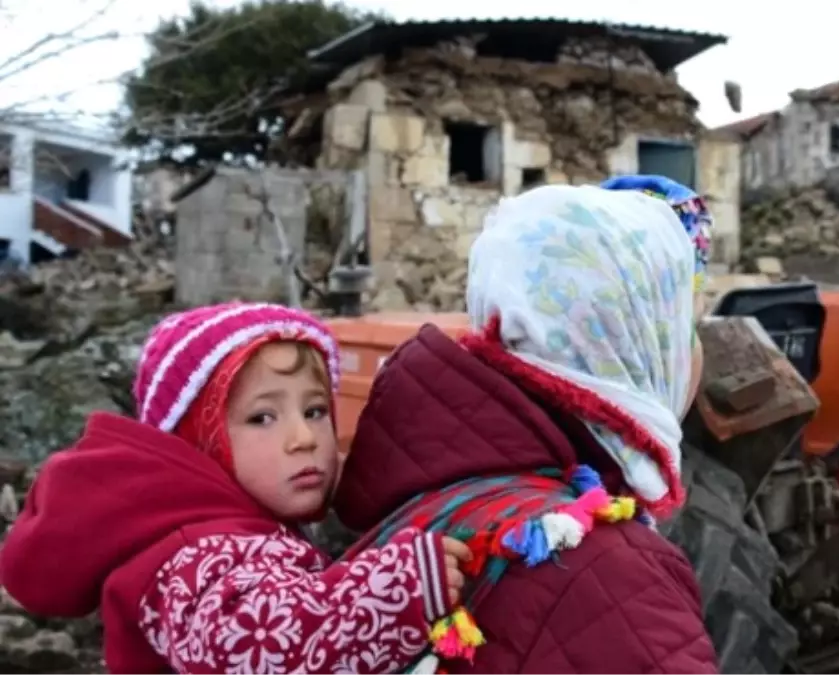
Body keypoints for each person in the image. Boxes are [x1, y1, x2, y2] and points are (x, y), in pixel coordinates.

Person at [333, 179, 719, 675]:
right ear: (641, 340)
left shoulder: (428, 499)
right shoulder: (611, 573)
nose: (693, 354)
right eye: (684, 326)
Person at [0, 302, 471, 675]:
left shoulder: (244, 530)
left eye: (314, 411)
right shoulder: (194, 554)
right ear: (196, 441)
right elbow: (254, 652)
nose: (304, 438)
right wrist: (396, 589)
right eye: (261, 418)